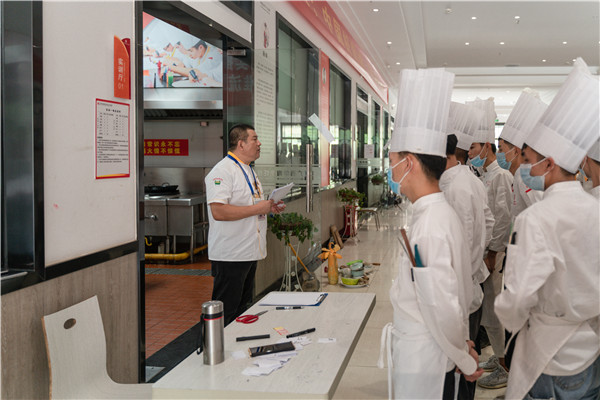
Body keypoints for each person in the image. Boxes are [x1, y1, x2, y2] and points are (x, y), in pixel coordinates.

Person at [495, 57, 600, 399]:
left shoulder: (537, 218)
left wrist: (508, 317)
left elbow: (518, 297)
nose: (523, 167)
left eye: (527, 160)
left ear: (549, 164)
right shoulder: (595, 207)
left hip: (550, 356)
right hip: (591, 348)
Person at [378, 68, 482, 399]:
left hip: (426, 358)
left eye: (392, 161)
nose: (390, 170)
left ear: (409, 163)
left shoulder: (429, 226)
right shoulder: (434, 213)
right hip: (431, 347)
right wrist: (461, 343)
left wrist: (463, 357)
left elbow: (440, 303)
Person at [205, 124, 284, 325]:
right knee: (225, 312)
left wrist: (268, 207)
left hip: (248, 251)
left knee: (241, 309)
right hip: (231, 254)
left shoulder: (248, 169)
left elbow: (249, 205)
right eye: (254, 139)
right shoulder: (222, 171)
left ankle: (234, 343)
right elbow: (218, 211)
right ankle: (213, 344)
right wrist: (258, 208)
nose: (259, 143)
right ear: (241, 144)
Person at [440, 132, 494, 400]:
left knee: (461, 368)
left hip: (462, 293)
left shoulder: (457, 188)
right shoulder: (466, 179)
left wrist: (467, 274)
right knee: (465, 361)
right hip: (467, 285)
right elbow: (488, 222)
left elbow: (466, 244)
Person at [467, 97, 513, 389]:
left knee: (495, 312)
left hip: (494, 256)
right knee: (488, 312)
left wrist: (494, 252)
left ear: (486, 146)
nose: (470, 152)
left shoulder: (501, 177)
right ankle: (498, 356)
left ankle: (505, 365)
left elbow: (503, 218)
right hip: (485, 254)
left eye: (473, 147)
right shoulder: (483, 176)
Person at [496, 90, 547, 221]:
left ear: (516, 151)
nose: (499, 154)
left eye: (501, 149)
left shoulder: (525, 177)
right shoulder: (518, 175)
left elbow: (539, 215)